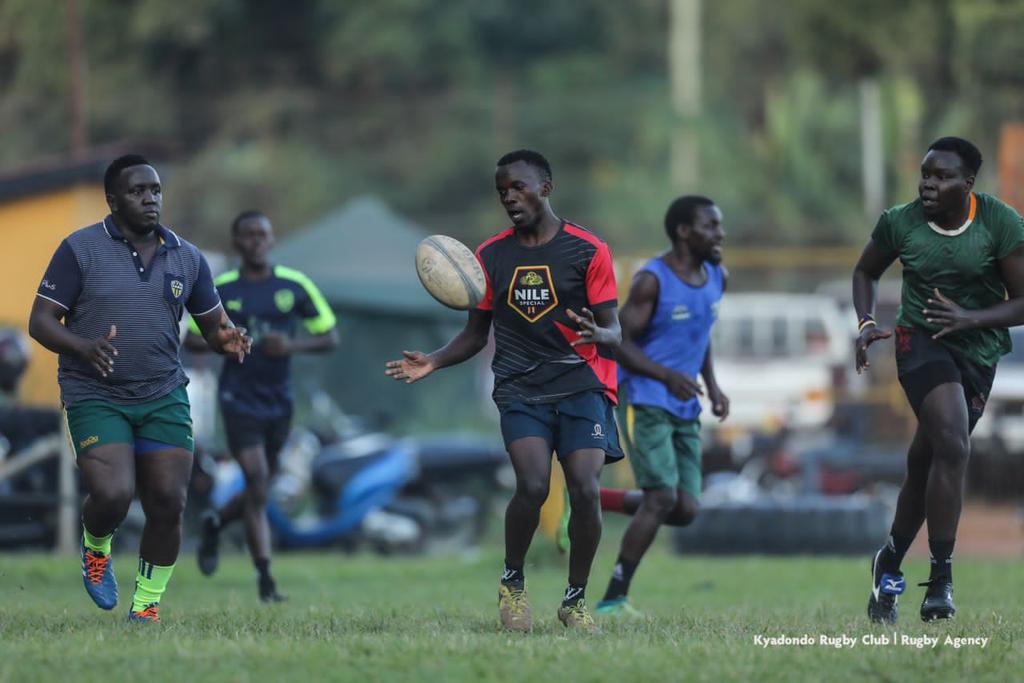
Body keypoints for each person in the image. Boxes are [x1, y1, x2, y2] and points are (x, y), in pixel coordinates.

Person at [385, 150, 622, 632]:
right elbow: (475, 335)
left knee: (586, 490)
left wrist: (600, 336)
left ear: (546, 188)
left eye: (518, 187)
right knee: (533, 485)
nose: (509, 197)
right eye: (502, 191)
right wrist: (433, 360)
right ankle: (512, 582)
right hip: (519, 385)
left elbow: (614, 329)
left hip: (582, 383)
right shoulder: (489, 256)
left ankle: (574, 601)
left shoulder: (588, 249)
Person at [28, 154, 250, 623]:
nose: (150, 198)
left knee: (170, 501)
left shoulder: (187, 257)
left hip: (163, 392)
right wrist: (85, 348)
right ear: (112, 200)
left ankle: (146, 607)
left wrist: (227, 338)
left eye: (155, 190)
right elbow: (41, 322)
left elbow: (213, 326)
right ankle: (96, 547)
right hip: (95, 393)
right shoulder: (79, 249)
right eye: (137, 191)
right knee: (112, 494)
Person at [854, 137, 1024, 623]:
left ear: (969, 184)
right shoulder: (900, 222)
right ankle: (940, 580)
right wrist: (866, 323)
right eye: (926, 174)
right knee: (952, 444)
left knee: (926, 460)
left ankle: (888, 562)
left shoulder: (999, 223)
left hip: (978, 347)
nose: (930, 184)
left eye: (943, 176)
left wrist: (971, 318)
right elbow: (864, 271)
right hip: (919, 341)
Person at [188, 210, 338, 602]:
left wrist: (291, 345)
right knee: (255, 478)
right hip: (237, 397)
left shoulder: (294, 285)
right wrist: (224, 340)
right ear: (236, 243)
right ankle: (266, 582)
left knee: (260, 488)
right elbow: (191, 339)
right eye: (247, 235)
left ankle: (215, 524)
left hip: (279, 400)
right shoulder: (220, 288)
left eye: (262, 234)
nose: (256, 241)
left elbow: (329, 336)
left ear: (272, 240)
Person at [594, 195, 729, 618]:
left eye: (720, 225)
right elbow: (616, 342)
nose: (720, 233)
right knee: (659, 498)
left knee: (685, 509)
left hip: (686, 408)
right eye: (711, 225)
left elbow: (700, 333)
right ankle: (613, 597)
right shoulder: (652, 280)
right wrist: (666, 376)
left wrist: (713, 384)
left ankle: (594, 500)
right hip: (647, 401)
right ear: (684, 232)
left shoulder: (717, 276)